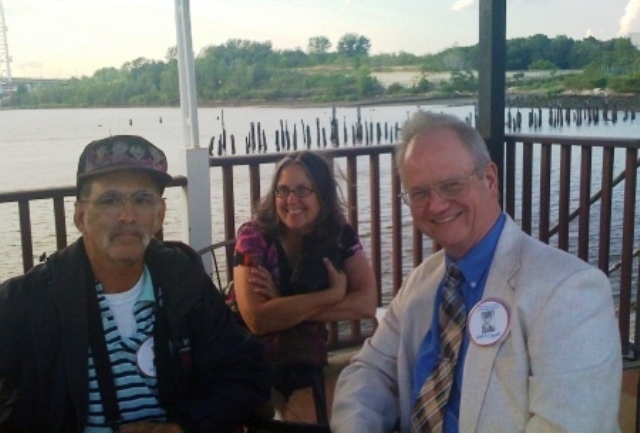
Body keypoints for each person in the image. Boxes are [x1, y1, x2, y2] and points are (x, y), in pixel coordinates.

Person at [331, 111, 622, 432]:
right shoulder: (421, 281)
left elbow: (567, 425)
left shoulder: (569, 290)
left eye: (451, 185)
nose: (437, 205)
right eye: (419, 193)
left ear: (490, 180)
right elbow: (370, 371)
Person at [0, 135, 272, 432]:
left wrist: (183, 427)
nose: (128, 216)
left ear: (160, 215)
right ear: (80, 216)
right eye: (110, 200)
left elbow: (246, 371)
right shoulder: (30, 301)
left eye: (142, 200)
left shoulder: (183, 281)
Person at [232, 150, 376, 420]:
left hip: (306, 356)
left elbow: (367, 303)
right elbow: (257, 319)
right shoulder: (254, 237)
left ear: (322, 194)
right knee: (313, 411)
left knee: (368, 395)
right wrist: (331, 294)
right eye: (282, 190)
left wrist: (282, 304)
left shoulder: (339, 235)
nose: (291, 200)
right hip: (252, 357)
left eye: (302, 190)